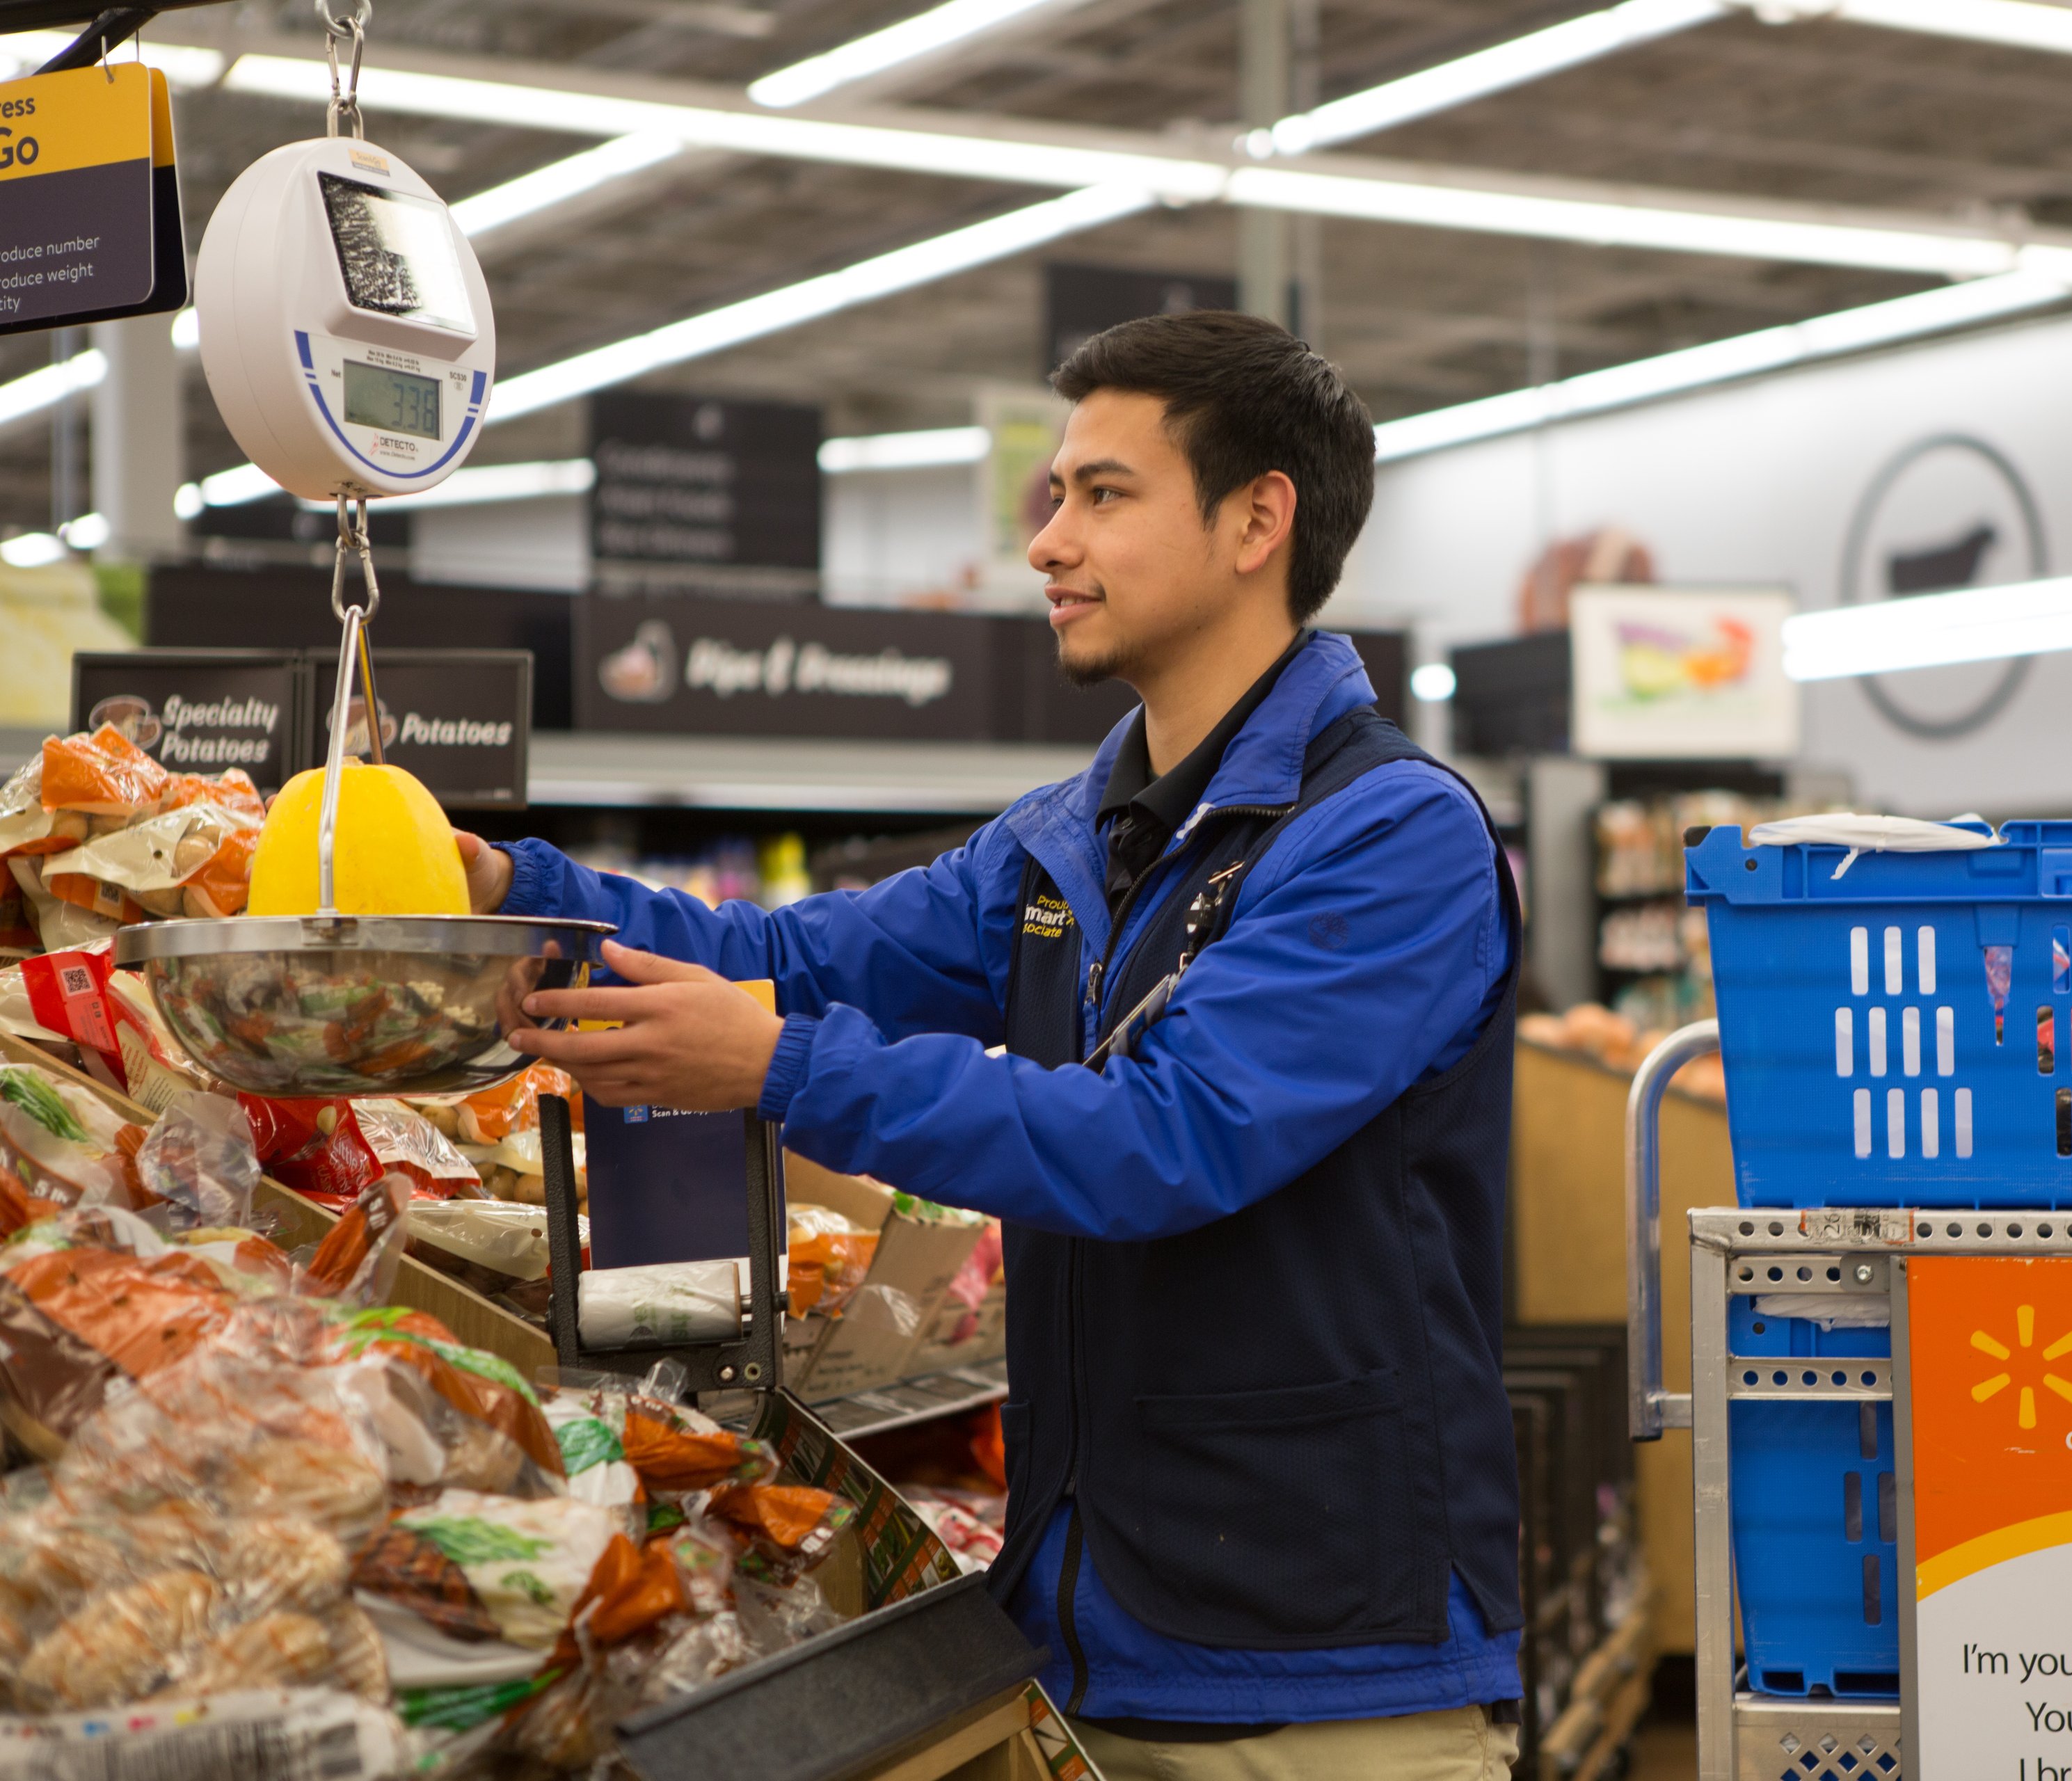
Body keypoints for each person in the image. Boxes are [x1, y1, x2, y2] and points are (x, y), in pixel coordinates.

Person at [457, 310, 1525, 1780]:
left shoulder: (1393, 837)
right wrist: (515, 890)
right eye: (1053, 495)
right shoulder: (1056, 847)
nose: (1046, 541)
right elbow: (789, 954)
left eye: (1103, 492)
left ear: (1256, 520)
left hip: (1328, 1675)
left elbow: (1163, 1139)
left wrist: (775, 1067)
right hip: (1082, 1645)